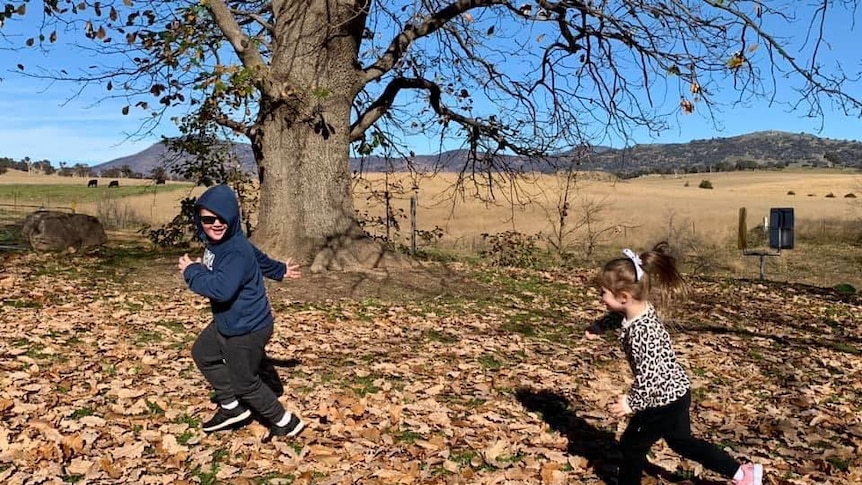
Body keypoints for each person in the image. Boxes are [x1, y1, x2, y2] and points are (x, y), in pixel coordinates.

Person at [585, 242, 763, 485]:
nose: (601, 297)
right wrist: (600, 326)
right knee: (682, 442)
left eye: (603, 292)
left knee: (632, 446)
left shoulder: (642, 333)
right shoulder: (639, 310)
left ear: (624, 297)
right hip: (676, 392)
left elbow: (650, 377)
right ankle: (743, 474)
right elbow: (619, 315)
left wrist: (630, 402)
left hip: (661, 400)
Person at [178, 184, 304, 439]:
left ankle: (286, 422)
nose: (215, 224)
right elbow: (257, 257)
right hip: (230, 321)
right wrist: (279, 270)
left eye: (222, 218)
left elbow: (221, 289)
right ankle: (232, 407)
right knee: (204, 353)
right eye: (207, 219)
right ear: (199, 220)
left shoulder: (233, 250)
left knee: (245, 383)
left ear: (232, 217)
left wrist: (192, 271)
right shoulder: (224, 243)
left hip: (246, 328)